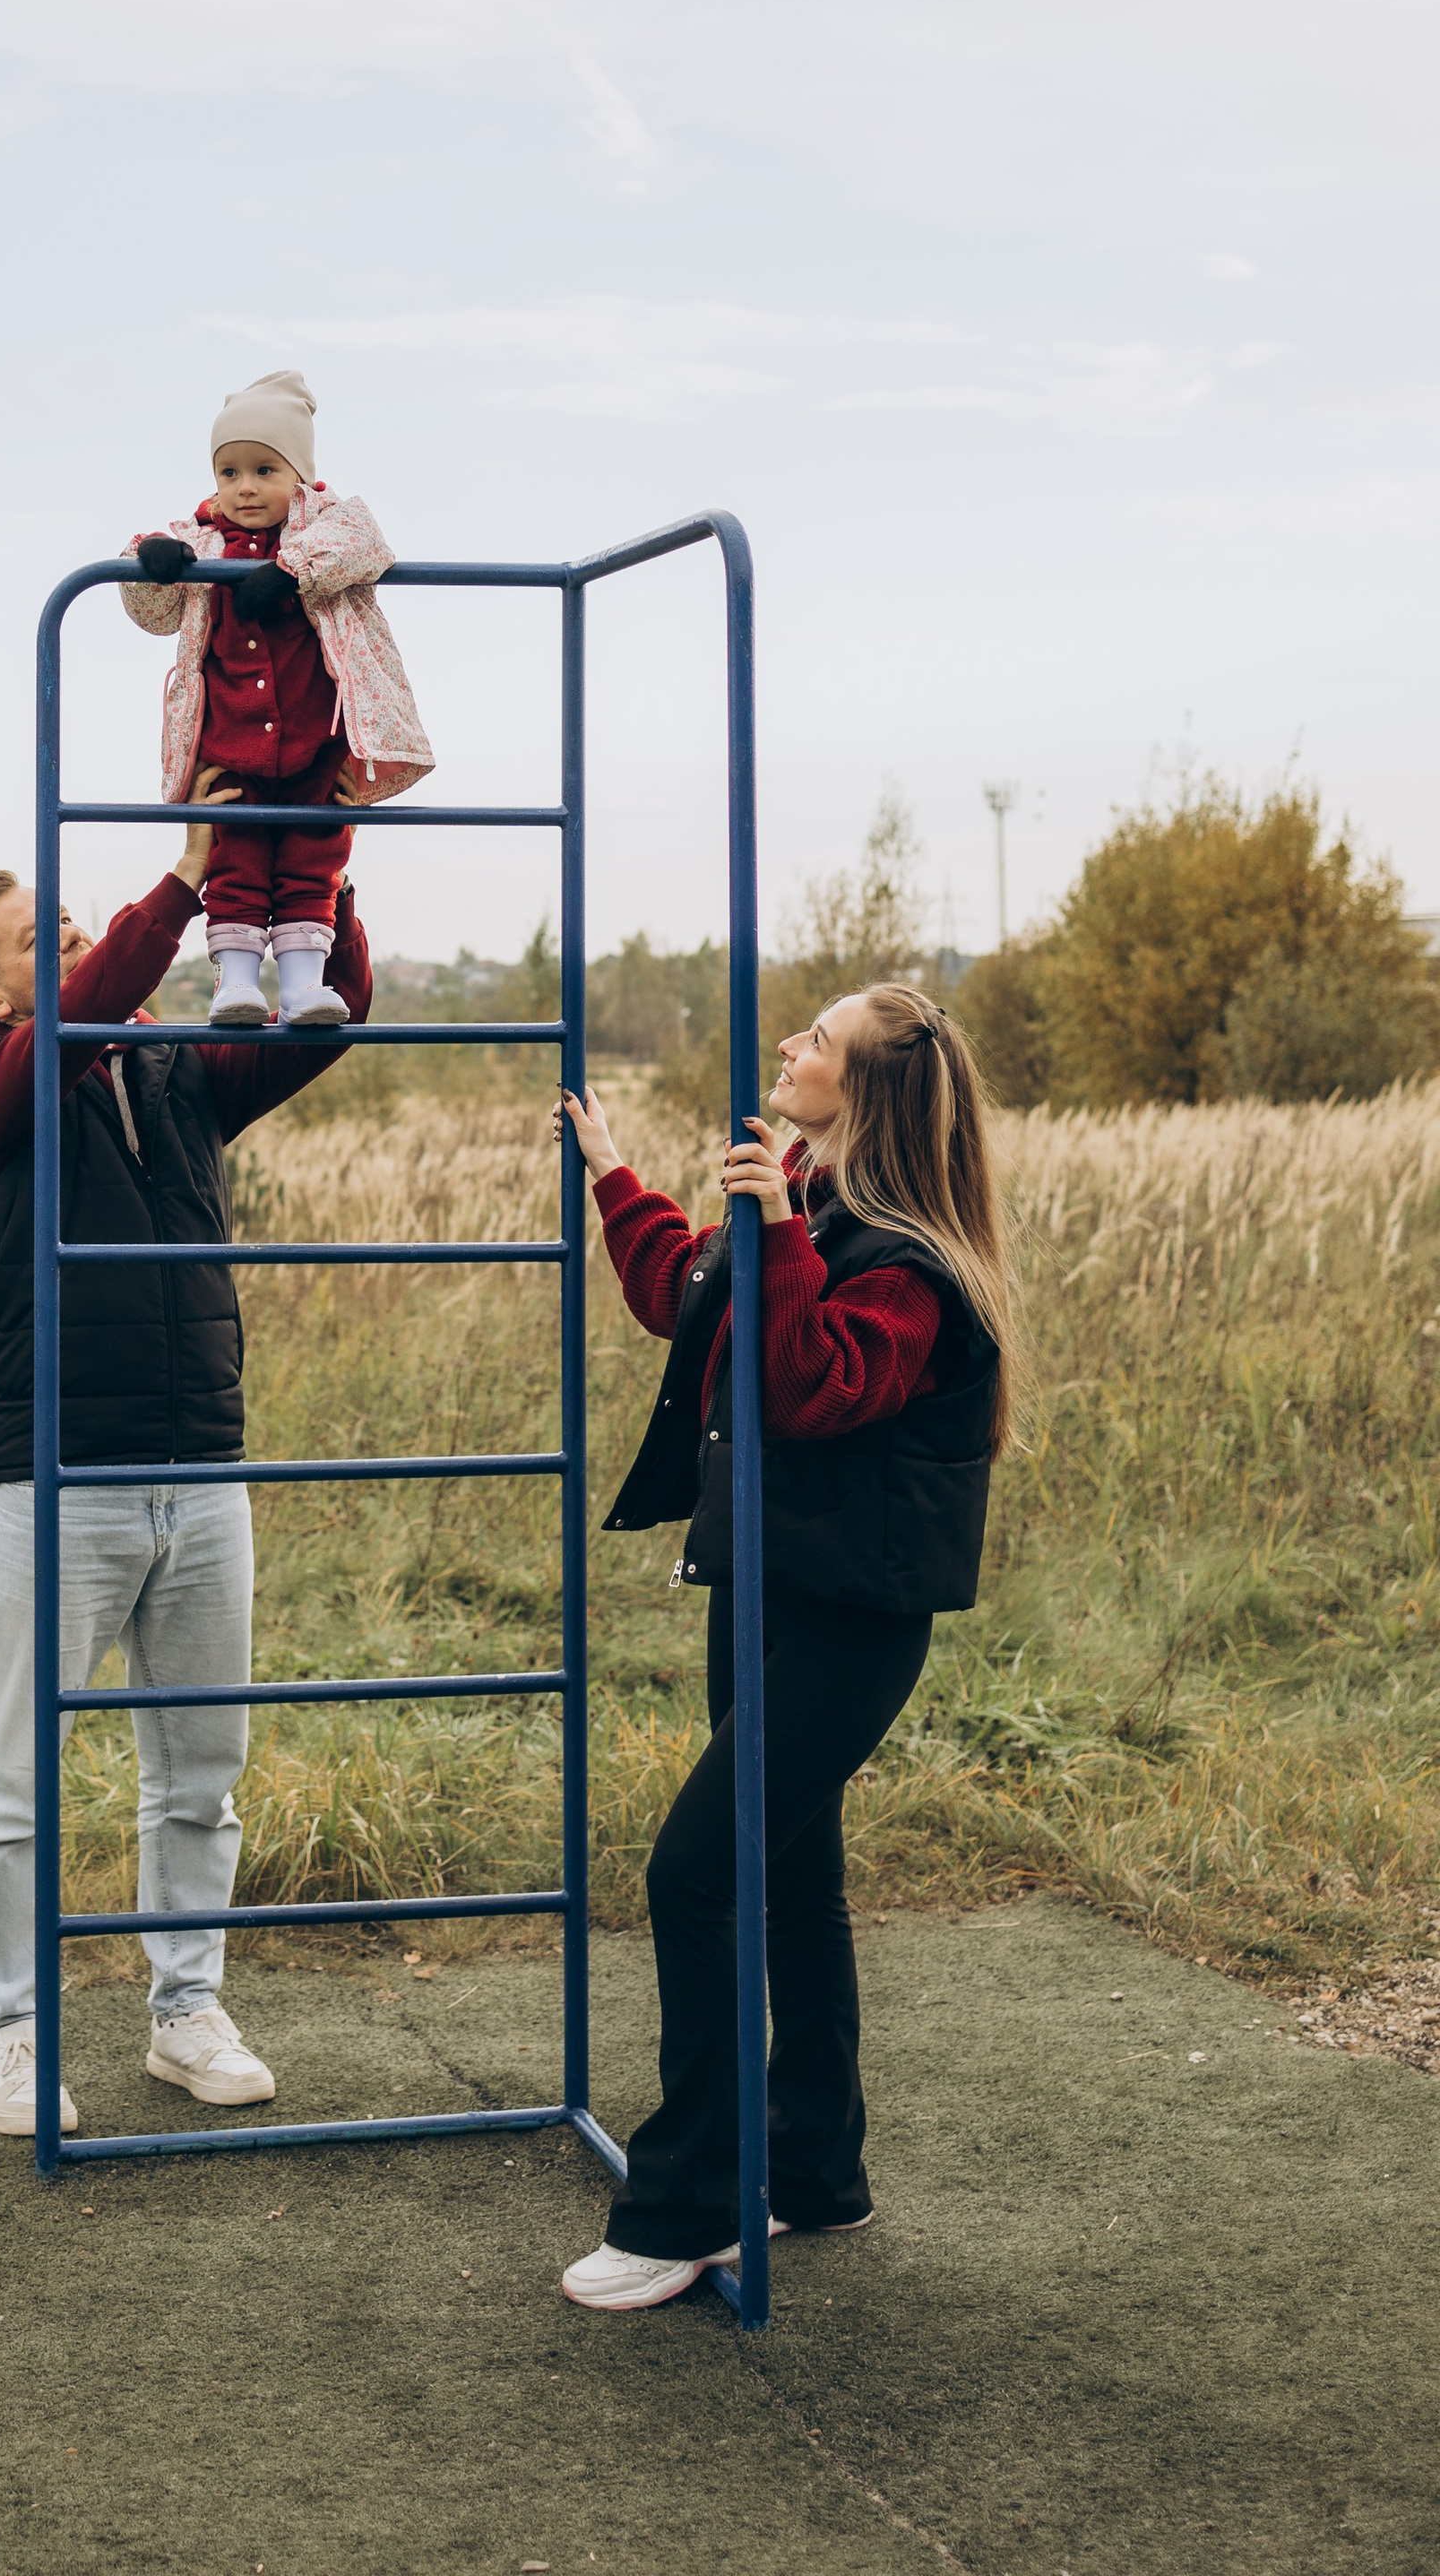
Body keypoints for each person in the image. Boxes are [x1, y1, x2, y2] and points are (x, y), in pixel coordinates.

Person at [555, 986, 1013, 2309]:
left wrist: (769, 1220)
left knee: (696, 1874)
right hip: (761, 1587)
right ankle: (816, 2171)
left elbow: (807, 1383)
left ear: (863, 1093)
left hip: (847, 1619)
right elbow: (685, 1296)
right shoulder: (806, 1213)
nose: (790, 1050)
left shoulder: (914, 1268)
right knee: (793, 1875)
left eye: (816, 1041)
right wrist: (614, 1177)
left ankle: (687, 2207)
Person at [0, 783, 373, 2137]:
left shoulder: (175, 1071)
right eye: (32, 939)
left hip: (206, 1472)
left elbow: (335, 1012)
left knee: (200, 1768)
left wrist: (313, 867)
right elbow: (85, 1004)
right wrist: (183, 885)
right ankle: (8, 2033)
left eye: (67, 921)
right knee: (15, 1777)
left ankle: (187, 2009)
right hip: (58, 1481)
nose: (60, 941)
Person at [120, 366, 430, 1030]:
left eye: (264, 469)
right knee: (236, 859)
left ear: (300, 476)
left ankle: (301, 988)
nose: (245, 487)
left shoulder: (325, 523)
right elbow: (151, 610)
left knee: (311, 861)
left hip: (316, 746)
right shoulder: (203, 541)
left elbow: (365, 543)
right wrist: (156, 560)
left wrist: (290, 574)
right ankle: (234, 984)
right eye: (229, 472)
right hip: (229, 746)